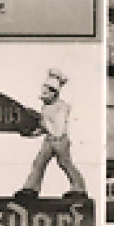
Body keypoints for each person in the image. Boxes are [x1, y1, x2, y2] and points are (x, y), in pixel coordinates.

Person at [15, 68, 88, 200]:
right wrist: (31, 133)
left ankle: (79, 187)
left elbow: (57, 129)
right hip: (49, 140)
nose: (43, 94)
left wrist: (41, 122)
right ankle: (31, 188)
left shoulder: (61, 107)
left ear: (54, 93)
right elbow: (45, 128)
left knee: (64, 163)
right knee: (39, 162)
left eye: (47, 91)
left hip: (60, 140)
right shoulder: (46, 107)